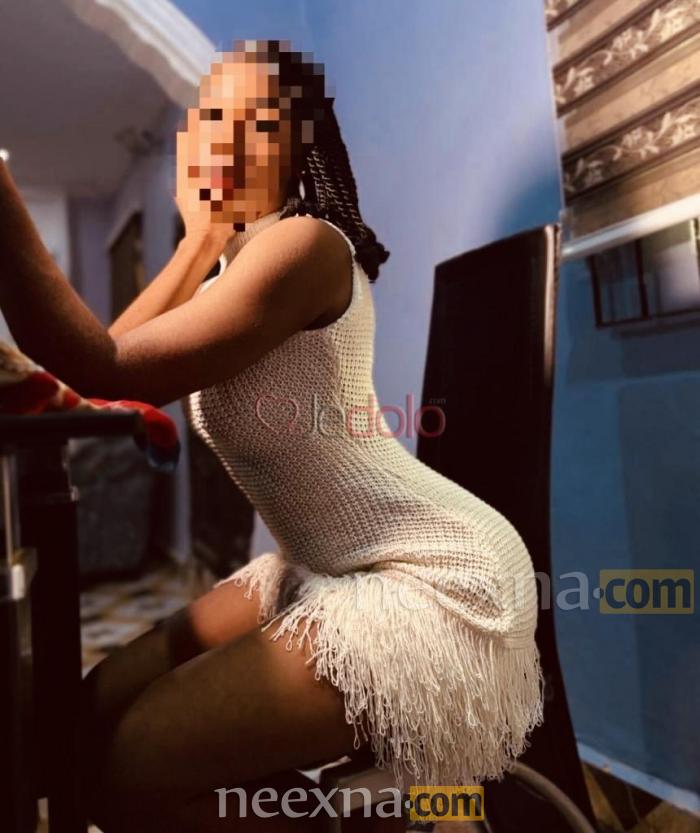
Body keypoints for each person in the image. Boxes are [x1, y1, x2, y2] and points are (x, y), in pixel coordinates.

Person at [0, 38, 544, 832]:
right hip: (323, 565)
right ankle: (375, 814)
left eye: (257, 125)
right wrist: (199, 241)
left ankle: (374, 821)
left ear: (298, 150)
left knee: (132, 767)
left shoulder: (304, 245)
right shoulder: (232, 270)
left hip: (437, 583)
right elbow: (101, 381)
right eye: (211, 119)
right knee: (89, 717)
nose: (226, 141)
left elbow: (101, 364)